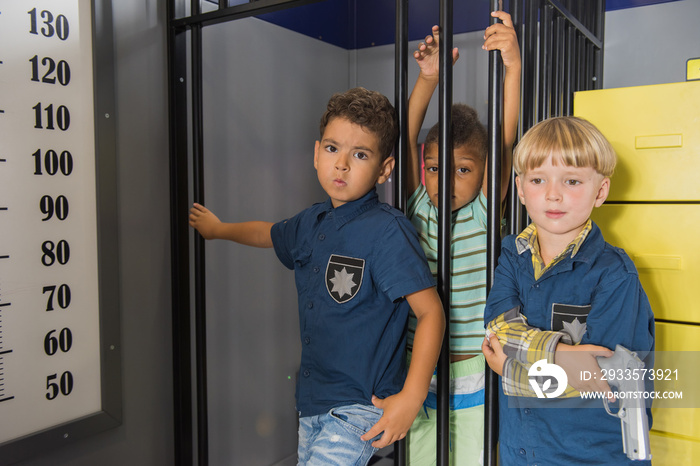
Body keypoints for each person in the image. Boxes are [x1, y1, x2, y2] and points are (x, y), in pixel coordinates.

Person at [189, 87, 445, 466]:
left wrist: (412, 396)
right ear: (315, 152)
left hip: (360, 404)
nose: (341, 164)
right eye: (332, 149)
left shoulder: (388, 231)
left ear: (384, 169)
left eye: (360, 154)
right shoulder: (310, 222)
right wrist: (219, 229)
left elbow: (431, 313)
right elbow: (267, 232)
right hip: (312, 401)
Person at [481, 116, 655, 465]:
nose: (553, 193)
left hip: (593, 456)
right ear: (520, 189)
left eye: (572, 180)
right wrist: (563, 357)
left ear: (600, 191)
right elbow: (498, 332)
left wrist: (512, 371)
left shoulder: (614, 274)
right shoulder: (512, 256)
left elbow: (605, 380)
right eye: (538, 179)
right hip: (522, 451)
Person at [404, 11, 521, 465]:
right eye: (434, 168)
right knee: (418, 456)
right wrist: (428, 79)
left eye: (464, 169)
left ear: (484, 172)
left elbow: (506, 140)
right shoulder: (416, 207)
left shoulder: (483, 213)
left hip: (471, 369)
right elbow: (403, 138)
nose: (445, 180)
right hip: (416, 364)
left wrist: (511, 64)